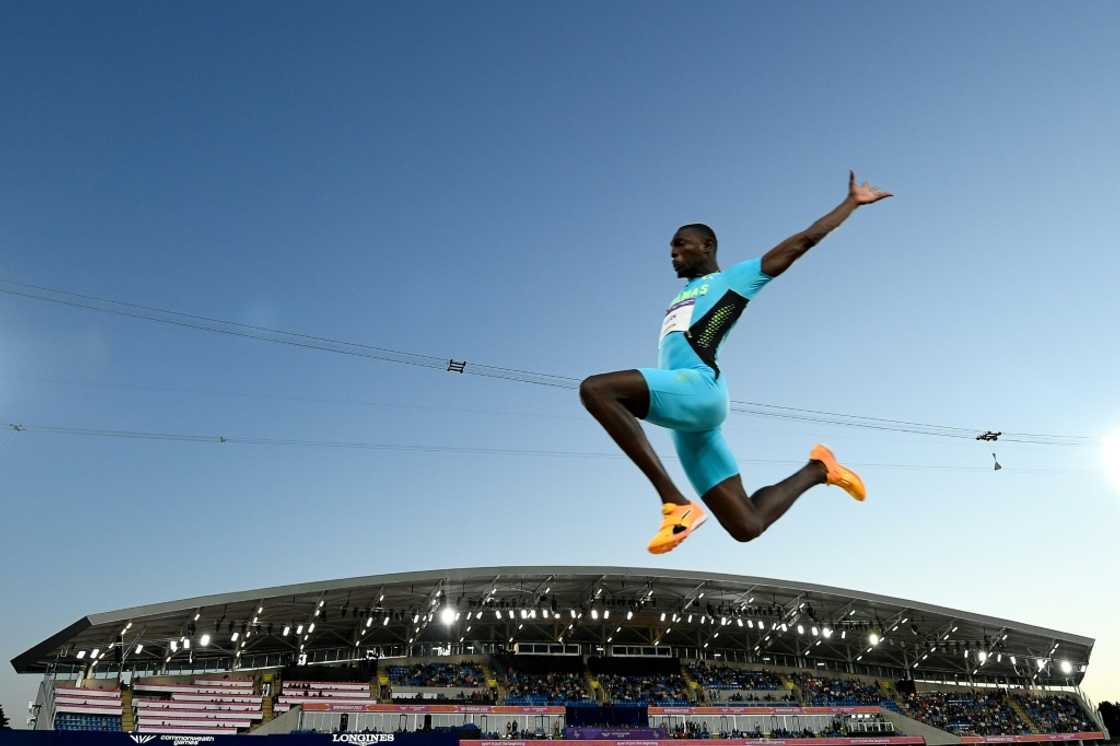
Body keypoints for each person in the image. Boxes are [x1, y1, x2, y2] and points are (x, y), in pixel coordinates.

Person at [580, 170, 892, 553]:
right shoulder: (682, 295)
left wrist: (850, 204)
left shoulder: (735, 279)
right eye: (670, 248)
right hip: (688, 423)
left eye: (681, 244)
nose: (672, 252)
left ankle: (675, 505)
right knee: (746, 524)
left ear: (707, 245)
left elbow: (804, 240)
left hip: (699, 389)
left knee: (597, 390)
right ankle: (820, 469)